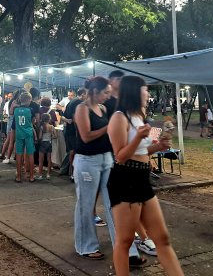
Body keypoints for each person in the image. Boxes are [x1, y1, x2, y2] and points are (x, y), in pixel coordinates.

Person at [107, 76, 182, 275]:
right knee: (125, 240)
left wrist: (158, 146)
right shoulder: (119, 117)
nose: (148, 94)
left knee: (162, 238)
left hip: (142, 178)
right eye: (145, 89)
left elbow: (141, 152)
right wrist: (139, 137)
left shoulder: (139, 116)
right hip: (124, 179)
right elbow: (120, 156)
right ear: (134, 91)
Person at [73, 76, 143, 263]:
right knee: (86, 205)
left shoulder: (102, 108)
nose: (107, 96)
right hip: (87, 161)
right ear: (95, 92)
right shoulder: (82, 109)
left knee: (115, 204)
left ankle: (127, 250)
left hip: (106, 159)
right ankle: (85, 246)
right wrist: (109, 127)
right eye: (105, 92)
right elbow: (86, 136)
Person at [62, 88, 87, 180]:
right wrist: (79, 131)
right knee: (74, 152)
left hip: (69, 130)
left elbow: (63, 116)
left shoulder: (71, 102)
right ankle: (73, 174)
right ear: (83, 94)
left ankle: (71, 173)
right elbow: (76, 118)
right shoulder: (77, 102)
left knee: (72, 152)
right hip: (73, 131)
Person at [12, 92, 37, 182]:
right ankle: (31, 176)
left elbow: (14, 122)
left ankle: (18, 176)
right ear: (28, 100)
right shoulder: (30, 110)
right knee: (30, 154)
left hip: (19, 134)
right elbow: (34, 121)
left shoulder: (16, 110)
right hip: (28, 134)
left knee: (19, 154)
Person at [37, 113, 56, 180]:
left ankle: (40, 175)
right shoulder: (52, 127)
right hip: (49, 143)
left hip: (43, 143)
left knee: (41, 160)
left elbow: (40, 137)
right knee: (49, 159)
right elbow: (55, 136)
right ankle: (48, 174)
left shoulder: (42, 127)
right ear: (49, 119)